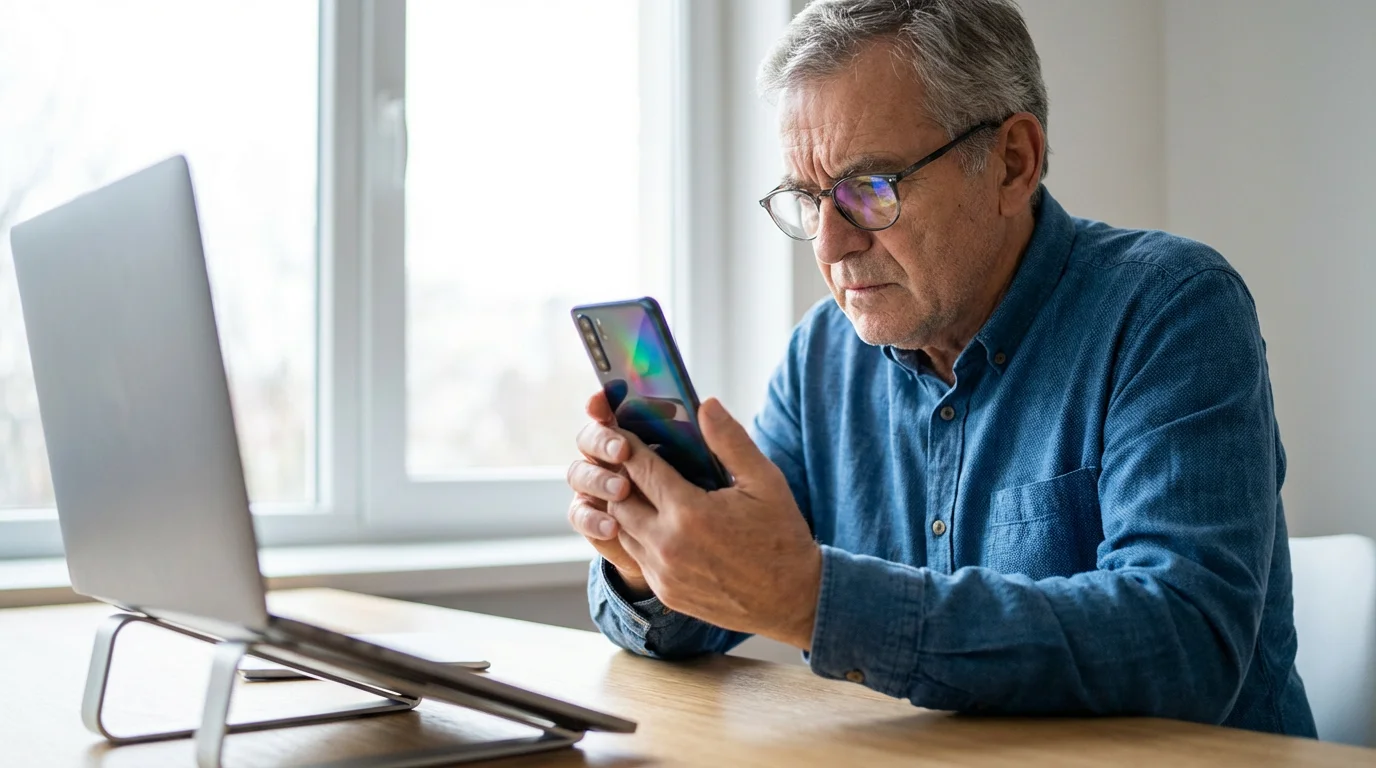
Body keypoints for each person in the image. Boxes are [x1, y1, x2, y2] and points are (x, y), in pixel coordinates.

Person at [564, 0, 1315, 736]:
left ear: (1012, 163)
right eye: (807, 198)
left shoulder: (1170, 307)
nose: (828, 246)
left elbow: (1186, 646)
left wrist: (812, 599)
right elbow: (725, 600)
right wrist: (652, 561)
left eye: (870, 188)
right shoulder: (821, 355)